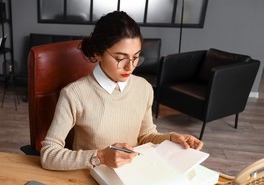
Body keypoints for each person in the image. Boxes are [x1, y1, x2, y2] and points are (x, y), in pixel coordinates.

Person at [40, 11, 203, 171]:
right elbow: (49, 155)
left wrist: (171, 138)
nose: (130, 66)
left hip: (133, 175)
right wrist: (100, 157)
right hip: (91, 178)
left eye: (136, 56)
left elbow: (146, 136)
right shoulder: (74, 94)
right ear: (98, 53)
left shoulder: (143, 88)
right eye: (120, 58)